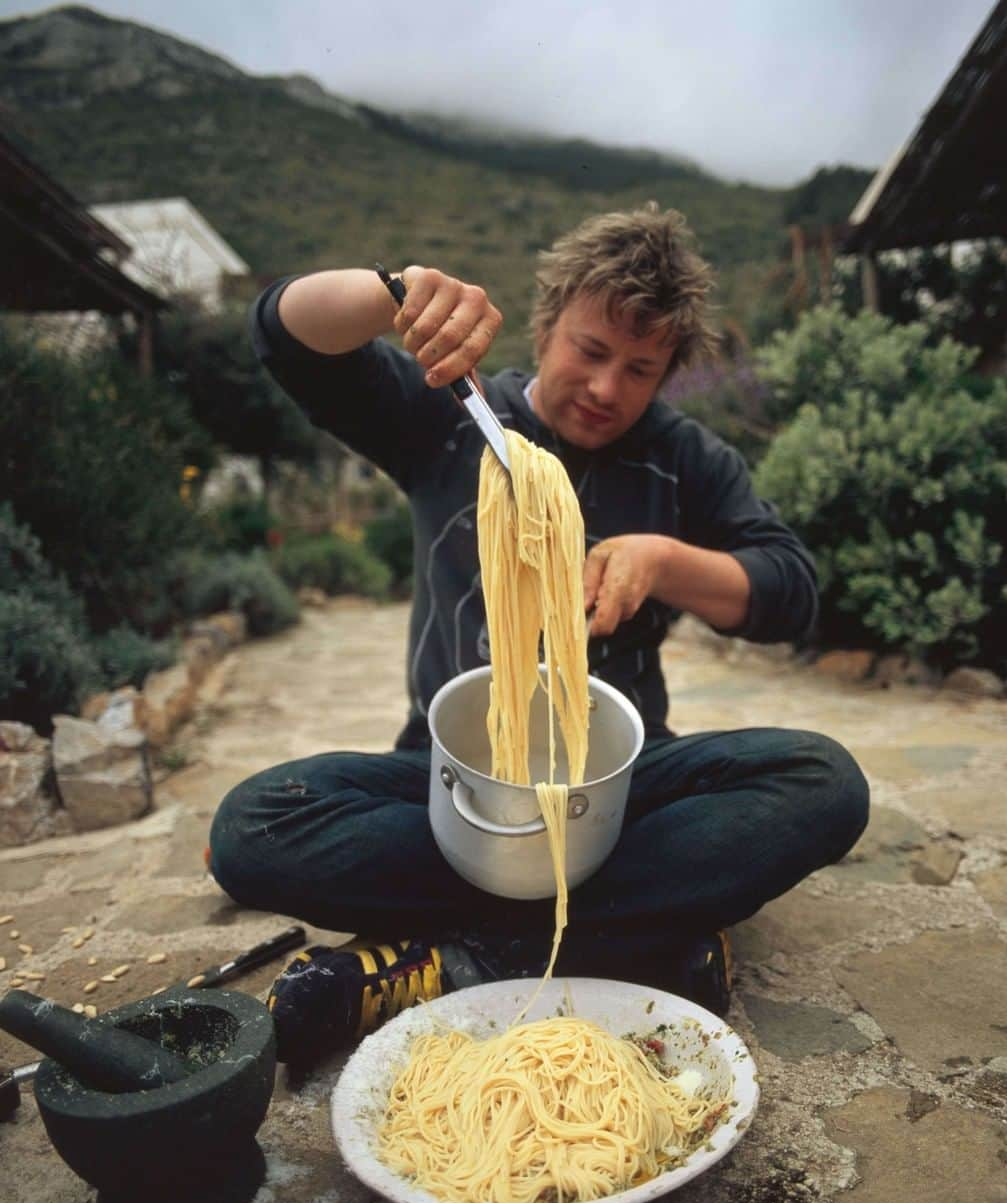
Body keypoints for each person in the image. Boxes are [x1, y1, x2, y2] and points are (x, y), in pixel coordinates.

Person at [209, 204, 869, 1069]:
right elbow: (284, 339)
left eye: (640, 369)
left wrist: (665, 561)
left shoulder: (685, 459)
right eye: (590, 352)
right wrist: (391, 296)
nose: (606, 389)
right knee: (251, 826)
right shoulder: (448, 410)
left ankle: (462, 960)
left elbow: (791, 595)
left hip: (621, 791)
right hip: (454, 789)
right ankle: (635, 932)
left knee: (825, 782)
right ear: (548, 322)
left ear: (668, 371)